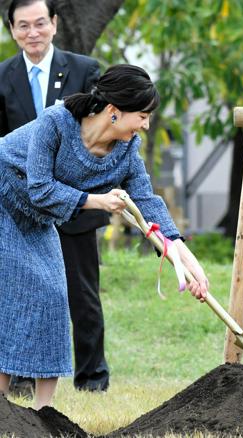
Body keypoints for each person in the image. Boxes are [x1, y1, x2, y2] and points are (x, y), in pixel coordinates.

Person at [0, 64, 209, 409]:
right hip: (5, 195)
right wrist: (98, 201)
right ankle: (4, 410)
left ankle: (43, 412)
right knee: (12, 299)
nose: (146, 124)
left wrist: (189, 264)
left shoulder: (126, 150)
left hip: (38, 217)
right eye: (142, 115)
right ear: (114, 112)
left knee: (54, 295)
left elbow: (147, 202)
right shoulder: (56, 122)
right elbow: (39, 188)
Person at [0, 0, 112, 394]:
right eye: (23, 25)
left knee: (82, 293)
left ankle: (92, 378)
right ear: (12, 29)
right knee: (24, 294)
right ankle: (21, 378)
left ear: (55, 24)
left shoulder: (84, 70)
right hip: (21, 210)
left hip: (77, 204)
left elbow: (100, 135)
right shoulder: (2, 77)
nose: (33, 32)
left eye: (40, 23)